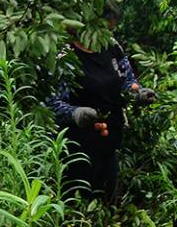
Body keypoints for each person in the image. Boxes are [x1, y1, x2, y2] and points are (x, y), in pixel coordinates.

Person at [46, 10, 156, 202]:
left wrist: (138, 93)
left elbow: (126, 80)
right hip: (76, 147)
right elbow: (51, 103)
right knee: (77, 199)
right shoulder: (65, 55)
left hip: (109, 141)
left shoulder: (111, 47)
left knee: (107, 196)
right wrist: (76, 113)